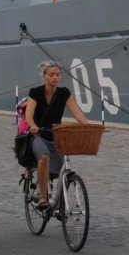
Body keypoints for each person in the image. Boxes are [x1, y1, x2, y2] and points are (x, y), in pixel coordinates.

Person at [25, 61, 91, 210]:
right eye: (51, 75)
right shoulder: (35, 92)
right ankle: (43, 197)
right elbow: (28, 116)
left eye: (57, 75)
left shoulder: (64, 93)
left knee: (63, 167)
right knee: (44, 158)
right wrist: (33, 126)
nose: (55, 77)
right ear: (44, 76)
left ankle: (61, 202)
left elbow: (77, 112)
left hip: (56, 135)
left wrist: (86, 126)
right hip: (40, 135)